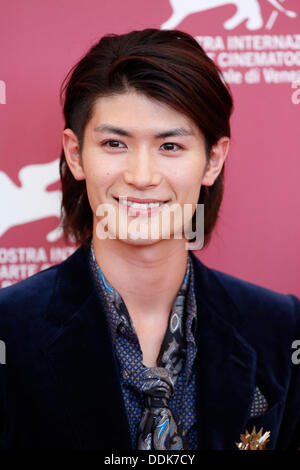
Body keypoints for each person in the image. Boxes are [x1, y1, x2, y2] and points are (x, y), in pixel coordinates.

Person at [0, 28, 300, 451]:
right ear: (75, 153)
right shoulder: (9, 332)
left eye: (170, 146)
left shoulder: (280, 329)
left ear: (213, 160)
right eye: (114, 143)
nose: (141, 176)